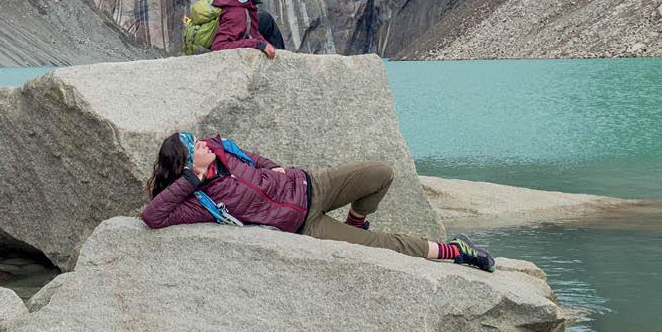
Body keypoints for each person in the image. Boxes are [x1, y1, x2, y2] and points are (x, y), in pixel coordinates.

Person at [141, 132, 495, 272]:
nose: (202, 143)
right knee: (386, 246)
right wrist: (194, 179)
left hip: (311, 184)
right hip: (305, 225)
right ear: (188, 163)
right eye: (195, 146)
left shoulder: (219, 150)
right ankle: (457, 251)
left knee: (381, 173)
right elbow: (152, 217)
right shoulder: (197, 200)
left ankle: (354, 224)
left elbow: (252, 157)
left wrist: (275, 168)